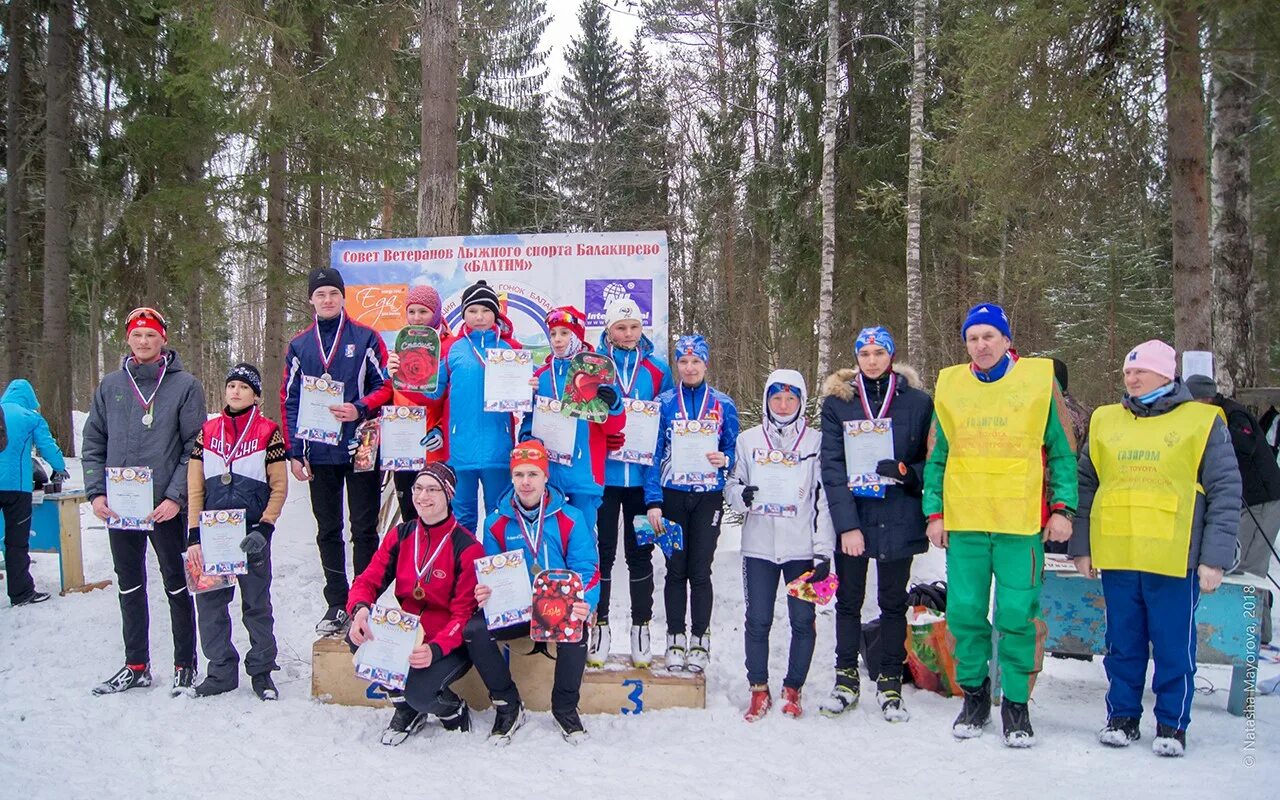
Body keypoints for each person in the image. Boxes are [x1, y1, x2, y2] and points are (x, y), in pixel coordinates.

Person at [1070, 341, 1241, 757]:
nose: (1132, 378)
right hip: (1119, 552)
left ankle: (1171, 723)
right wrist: (1082, 545)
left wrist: (1214, 559)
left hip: (1173, 556)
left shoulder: (1203, 421)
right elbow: (1086, 486)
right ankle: (1122, 717)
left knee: (1172, 646)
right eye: (1129, 372)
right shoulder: (1106, 420)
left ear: (1167, 375)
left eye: (1142, 371)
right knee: (1122, 645)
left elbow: (1226, 491)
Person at [922, 302, 1077, 746]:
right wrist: (935, 514)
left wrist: (1063, 509)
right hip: (967, 523)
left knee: (1016, 617)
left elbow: (1063, 451)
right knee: (965, 614)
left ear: (1007, 340)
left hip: (1020, 523)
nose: (981, 345)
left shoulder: (1037, 381)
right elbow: (937, 456)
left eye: (989, 336)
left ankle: (1016, 704)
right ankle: (974, 695)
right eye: (973, 338)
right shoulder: (952, 384)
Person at [83, 307, 207, 696]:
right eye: (136, 335)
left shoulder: (185, 385)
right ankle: (135, 664)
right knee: (129, 584)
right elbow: (93, 442)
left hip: (164, 507)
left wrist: (175, 497)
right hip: (121, 508)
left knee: (175, 584)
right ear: (128, 340)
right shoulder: (110, 385)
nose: (143, 342)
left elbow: (194, 447)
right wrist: (96, 492)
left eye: (150, 335)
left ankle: (184, 663)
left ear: (163, 339)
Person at [818, 326, 933, 721]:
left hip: (899, 514)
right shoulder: (839, 403)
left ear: (891, 355)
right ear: (856, 359)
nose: (872, 361)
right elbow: (831, 467)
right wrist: (846, 525)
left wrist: (907, 471)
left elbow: (931, 460)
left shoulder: (918, 402)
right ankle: (846, 678)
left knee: (892, 601)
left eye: (878, 353)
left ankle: (889, 682)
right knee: (847, 600)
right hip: (856, 516)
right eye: (864, 354)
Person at [463, 442, 601, 744]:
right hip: (517, 607)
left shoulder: (571, 517)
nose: (526, 482)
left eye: (533, 474)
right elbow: (491, 569)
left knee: (576, 628)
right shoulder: (496, 522)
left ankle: (565, 708)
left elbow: (588, 570)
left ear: (545, 477)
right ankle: (507, 704)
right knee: (474, 629)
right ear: (511, 478)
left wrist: (584, 603)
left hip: (555, 605)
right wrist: (486, 591)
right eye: (519, 474)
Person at [281, 266, 389, 635]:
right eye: (320, 294)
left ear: (344, 298)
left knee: (363, 528)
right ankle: (336, 601)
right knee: (328, 528)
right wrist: (295, 451)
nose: (327, 300)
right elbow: (290, 399)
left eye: (333, 294)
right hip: (320, 450)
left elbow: (385, 387)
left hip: (361, 447)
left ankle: (364, 601)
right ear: (311, 299)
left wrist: (359, 408)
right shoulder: (300, 345)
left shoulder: (365, 337)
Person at [346, 463, 483, 746]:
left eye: (432, 489)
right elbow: (368, 580)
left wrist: (435, 648)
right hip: (406, 633)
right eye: (418, 489)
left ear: (448, 495)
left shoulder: (467, 546)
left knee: (420, 692)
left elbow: (462, 615)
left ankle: (450, 708)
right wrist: (359, 608)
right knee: (359, 635)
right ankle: (406, 711)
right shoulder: (401, 535)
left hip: (446, 641)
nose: (423, 496)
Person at [726, 369, 833, 721]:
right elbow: (732, 485)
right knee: (757, 620)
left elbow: (823, 501)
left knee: (803, 620)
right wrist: (741, 496)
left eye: (791, 398)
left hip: (801, 548)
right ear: (766, 401)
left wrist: (822, 549)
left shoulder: (815, 443)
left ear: (801, 402)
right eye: (776, 397)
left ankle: (793, 688)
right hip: (759, 546)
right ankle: (758, 689)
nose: (783, 404)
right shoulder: (748, 440)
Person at [521, 305, 624, 666]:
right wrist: (525, 445)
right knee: (546, 549)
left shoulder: (593, 371)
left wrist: (613, 404)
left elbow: (614, 428)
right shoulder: (541, 374)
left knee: (583, 553)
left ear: (577, 335)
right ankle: (548, 620)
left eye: (565, 334)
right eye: (553, 334)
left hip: (584, 478)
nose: (558, 340)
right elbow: (528, 422)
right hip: (551, 476)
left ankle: (587, 621)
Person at [185, 363, 287, 701]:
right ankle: (220, 671)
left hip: (251, 533)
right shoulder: (207, 431)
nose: (235, 391)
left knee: (257, 604)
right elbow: (195, 485)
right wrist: (194, 532)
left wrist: (267, 526)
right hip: (214, 535)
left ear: (255, 395)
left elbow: (279, 486)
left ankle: (261, 671)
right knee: (211, 605)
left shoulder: (268, 431)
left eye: (244, 387)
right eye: (231, 386)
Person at [644, 334, 739, 673]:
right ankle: (674, 637)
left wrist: (723, 459)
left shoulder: (723, 404)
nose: (689, 367)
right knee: (674, 569)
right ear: (677, 365)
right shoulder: (665, 402)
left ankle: (700, 638)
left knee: (700, 570)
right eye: (683, 362)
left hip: (708, 497)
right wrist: (653, 500)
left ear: (705, 363)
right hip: (671, 495)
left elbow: (734, 452)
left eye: (695, 361)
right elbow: (653, 454)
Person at [596, 297, 671, 668]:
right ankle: (601, 624)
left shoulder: (657, 370)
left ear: (642, 329)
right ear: (608, 330)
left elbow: (666, 426)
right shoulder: (594, 367)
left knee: (640, 555)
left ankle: (641, 626)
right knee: (603, 554)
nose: (627, 334)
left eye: (633, 327)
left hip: (642, 482)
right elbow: (581, 416)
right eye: (620, 327)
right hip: (604, 479)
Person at [1186, 373, 1280, 644]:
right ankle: (1245, 628)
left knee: (1251, 568)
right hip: (1244, 500)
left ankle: (1256, 634)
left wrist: (1217, 434)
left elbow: (1247, 443)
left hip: (1262, 499)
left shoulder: (1233, 415)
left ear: (1205, 399)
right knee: (1239, 565)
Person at [424, 279, 523, 533]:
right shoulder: (453, 350)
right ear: (464, 314)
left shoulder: (511, 349)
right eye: (472, 310)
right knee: (462, 519)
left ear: (496, 314)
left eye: (486, 310)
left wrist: (530, 385)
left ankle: (499, 571)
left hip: (498, 449)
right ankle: (464, 571)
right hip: (460, 450)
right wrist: (407, 374)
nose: (479, 316)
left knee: (499, 518)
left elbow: (526, 395)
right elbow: (432, 394)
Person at [361, 283, 453, 524]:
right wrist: (386, 375)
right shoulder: (400, 346)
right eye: (411, 312)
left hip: (434, 443)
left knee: (437, 513)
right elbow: (387, 394)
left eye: (423, 311)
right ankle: (410, 560)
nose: (416, 318)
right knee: (410, 512)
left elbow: (454, 398)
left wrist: (442, 428)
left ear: (436, 312)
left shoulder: (450, 347)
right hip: (402, 443)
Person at [0, 379, 69, 606]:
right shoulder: (31, 418)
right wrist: (59, 467)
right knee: (16, 542)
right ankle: (21, 594)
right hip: (17, 488)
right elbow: (46, 445)